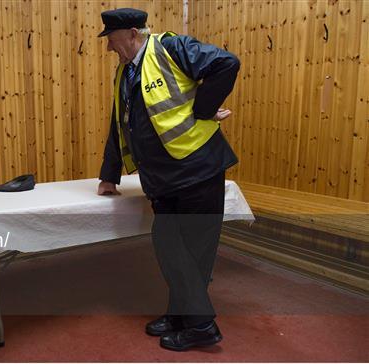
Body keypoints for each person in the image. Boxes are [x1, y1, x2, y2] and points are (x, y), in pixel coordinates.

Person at [97, 8, 240, 351]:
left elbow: (227, 63)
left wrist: (204, 109)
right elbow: (120, 126)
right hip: (163, 177)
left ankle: (201, 325)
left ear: (132, 33)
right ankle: (180, 315)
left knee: (187, 249)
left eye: (112, 40)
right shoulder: (125, 73)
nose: (109, 48)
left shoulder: (170, 48)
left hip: (198, 169)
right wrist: (108, 175)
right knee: (174, 248)